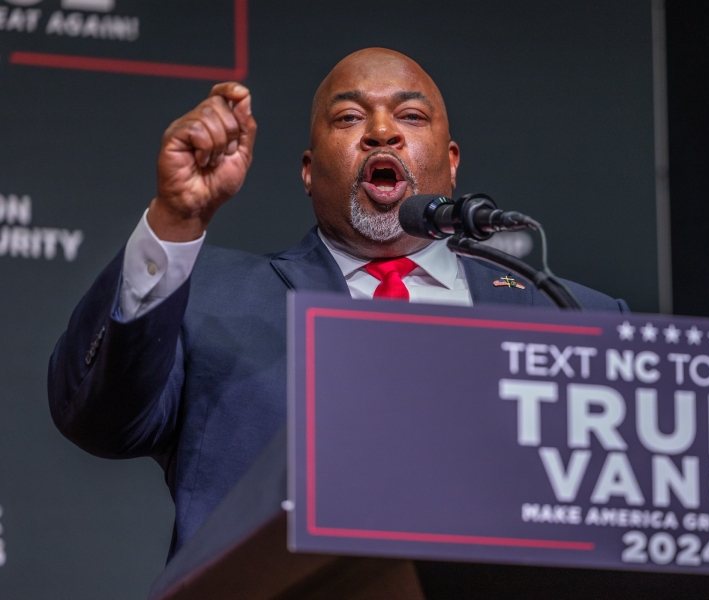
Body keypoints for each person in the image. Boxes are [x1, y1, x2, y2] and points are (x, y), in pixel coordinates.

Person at [47, 48, 628, 558]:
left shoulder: (577, 320)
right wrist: (176, 221)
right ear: (308, 170)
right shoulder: (210, 298)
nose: (381, 131)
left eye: (410, 115)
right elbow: (99, 419)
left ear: (451, 164)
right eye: (350, 117)